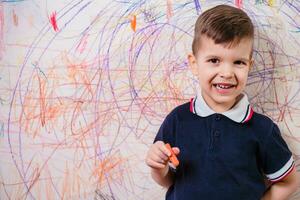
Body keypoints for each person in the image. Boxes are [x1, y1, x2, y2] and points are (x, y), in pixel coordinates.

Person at [145, 4, 299, 200]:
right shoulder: (177, 120)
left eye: (238, 62)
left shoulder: (263, 129)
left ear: (249, 66)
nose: (226, 73)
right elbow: (168, 181)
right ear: (194, 64)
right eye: (214, 60)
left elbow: (290, 181)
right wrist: (158, 168)